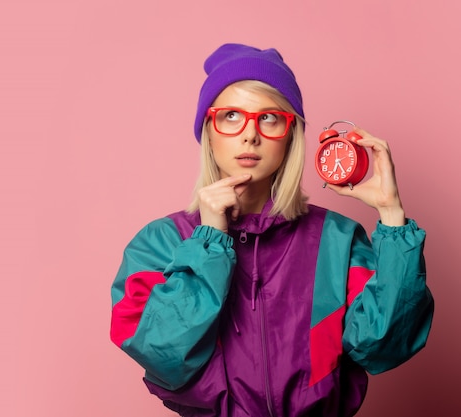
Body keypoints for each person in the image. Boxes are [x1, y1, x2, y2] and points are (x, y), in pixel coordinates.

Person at [109, 43, 434, 417]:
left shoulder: (337, 240)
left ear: (291, 133)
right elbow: (162, 354)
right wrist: (210, 244)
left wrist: (392, 215)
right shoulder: (161, 242)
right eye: (231, 116)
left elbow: (384, 346)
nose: (250, 135)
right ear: (208, 134)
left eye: (269, 118)